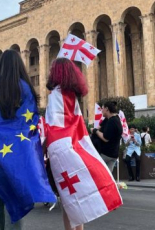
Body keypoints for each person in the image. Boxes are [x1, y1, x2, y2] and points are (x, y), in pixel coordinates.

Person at [0, 49, 56, 230]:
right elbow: (29, 126)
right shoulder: (26, 89)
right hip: (16, 159)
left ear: (1, 65)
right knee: (13, 208)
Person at [46, 58, 122, 230]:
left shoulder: (55, 96)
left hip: (60, 151)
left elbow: (52, 127)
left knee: (67, 199)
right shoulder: (72, 96)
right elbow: (77, 126)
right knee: (74, 196)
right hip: (74, 148)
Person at [94, 101, 123, 172]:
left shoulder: (112, 121)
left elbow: (105, 138)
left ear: (107, 109)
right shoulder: (112, 118)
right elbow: (99, 126)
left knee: (97, 174)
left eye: (102, 108)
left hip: (106, 154)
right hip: (113, 154)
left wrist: (95, 131)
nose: (101, 110)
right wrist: (96, 129)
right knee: (108, 176)